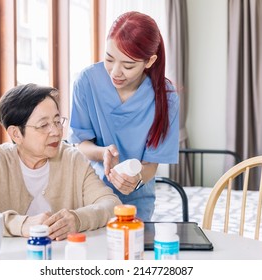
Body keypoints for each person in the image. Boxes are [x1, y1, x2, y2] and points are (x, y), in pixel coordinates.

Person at [0, 83, 121, 240]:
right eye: (43, 125)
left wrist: (78, 219)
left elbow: (112, 205)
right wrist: (21, 224)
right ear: (16, 134)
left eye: (57, 121)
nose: (56, 132)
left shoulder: (72, 159)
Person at [69, 11, 180, 221]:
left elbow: (151, 164)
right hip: (90, 194)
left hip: (137, 200)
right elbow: (80, 144)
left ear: (149, 61)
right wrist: (103, 152)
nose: (115, 72)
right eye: (109, 59)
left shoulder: (166, 98)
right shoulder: (86, 82)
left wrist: (136, 179)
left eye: (128, 65)